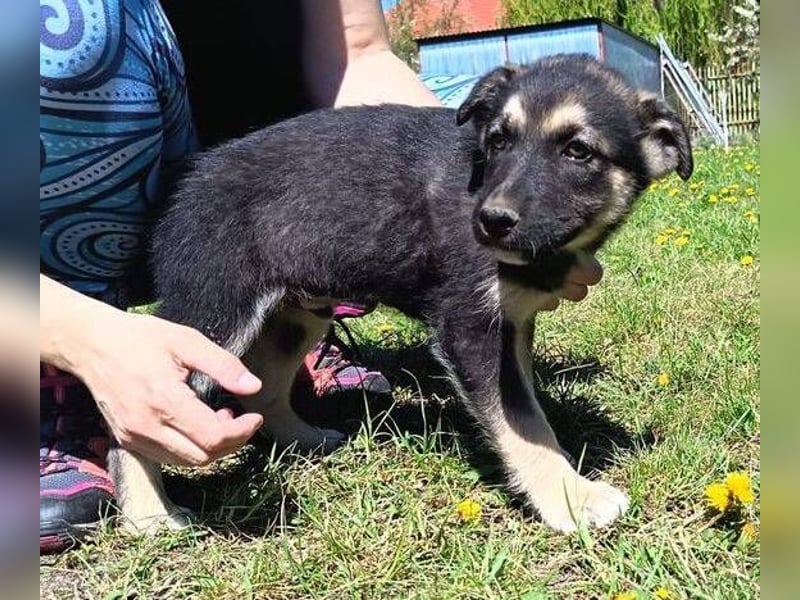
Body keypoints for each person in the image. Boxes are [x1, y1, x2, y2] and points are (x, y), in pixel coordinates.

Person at [39, 0, 604, 552]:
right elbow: (479, 340)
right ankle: (134, 471)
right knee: (202, 351)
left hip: (277, 184)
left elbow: (360, 55)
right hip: (222, 201)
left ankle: (273, 411)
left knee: (295, 323)